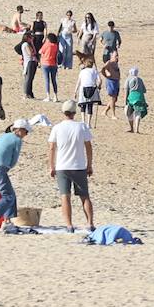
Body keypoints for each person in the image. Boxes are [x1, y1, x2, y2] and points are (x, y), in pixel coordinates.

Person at [48, 99, 94, 232]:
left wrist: (51, 166)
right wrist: (89, 164)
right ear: (75, 112)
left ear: (63, 112)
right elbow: (88, 146)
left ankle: (69, 225)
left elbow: (52, 148)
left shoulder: (57, 127)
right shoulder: (82, 126)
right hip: (78, 166)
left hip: (62, 166)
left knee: (65, 196)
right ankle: (90, 223)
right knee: (84, 196)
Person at [0, 118, 30, 230]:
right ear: (19, 130)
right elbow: (14, 160)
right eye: (26, 132)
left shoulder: (2, 136)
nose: (26, 135)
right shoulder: (17, 140)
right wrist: (7, 166)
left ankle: (7, 222)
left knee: (8, 195)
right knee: (9, 196)